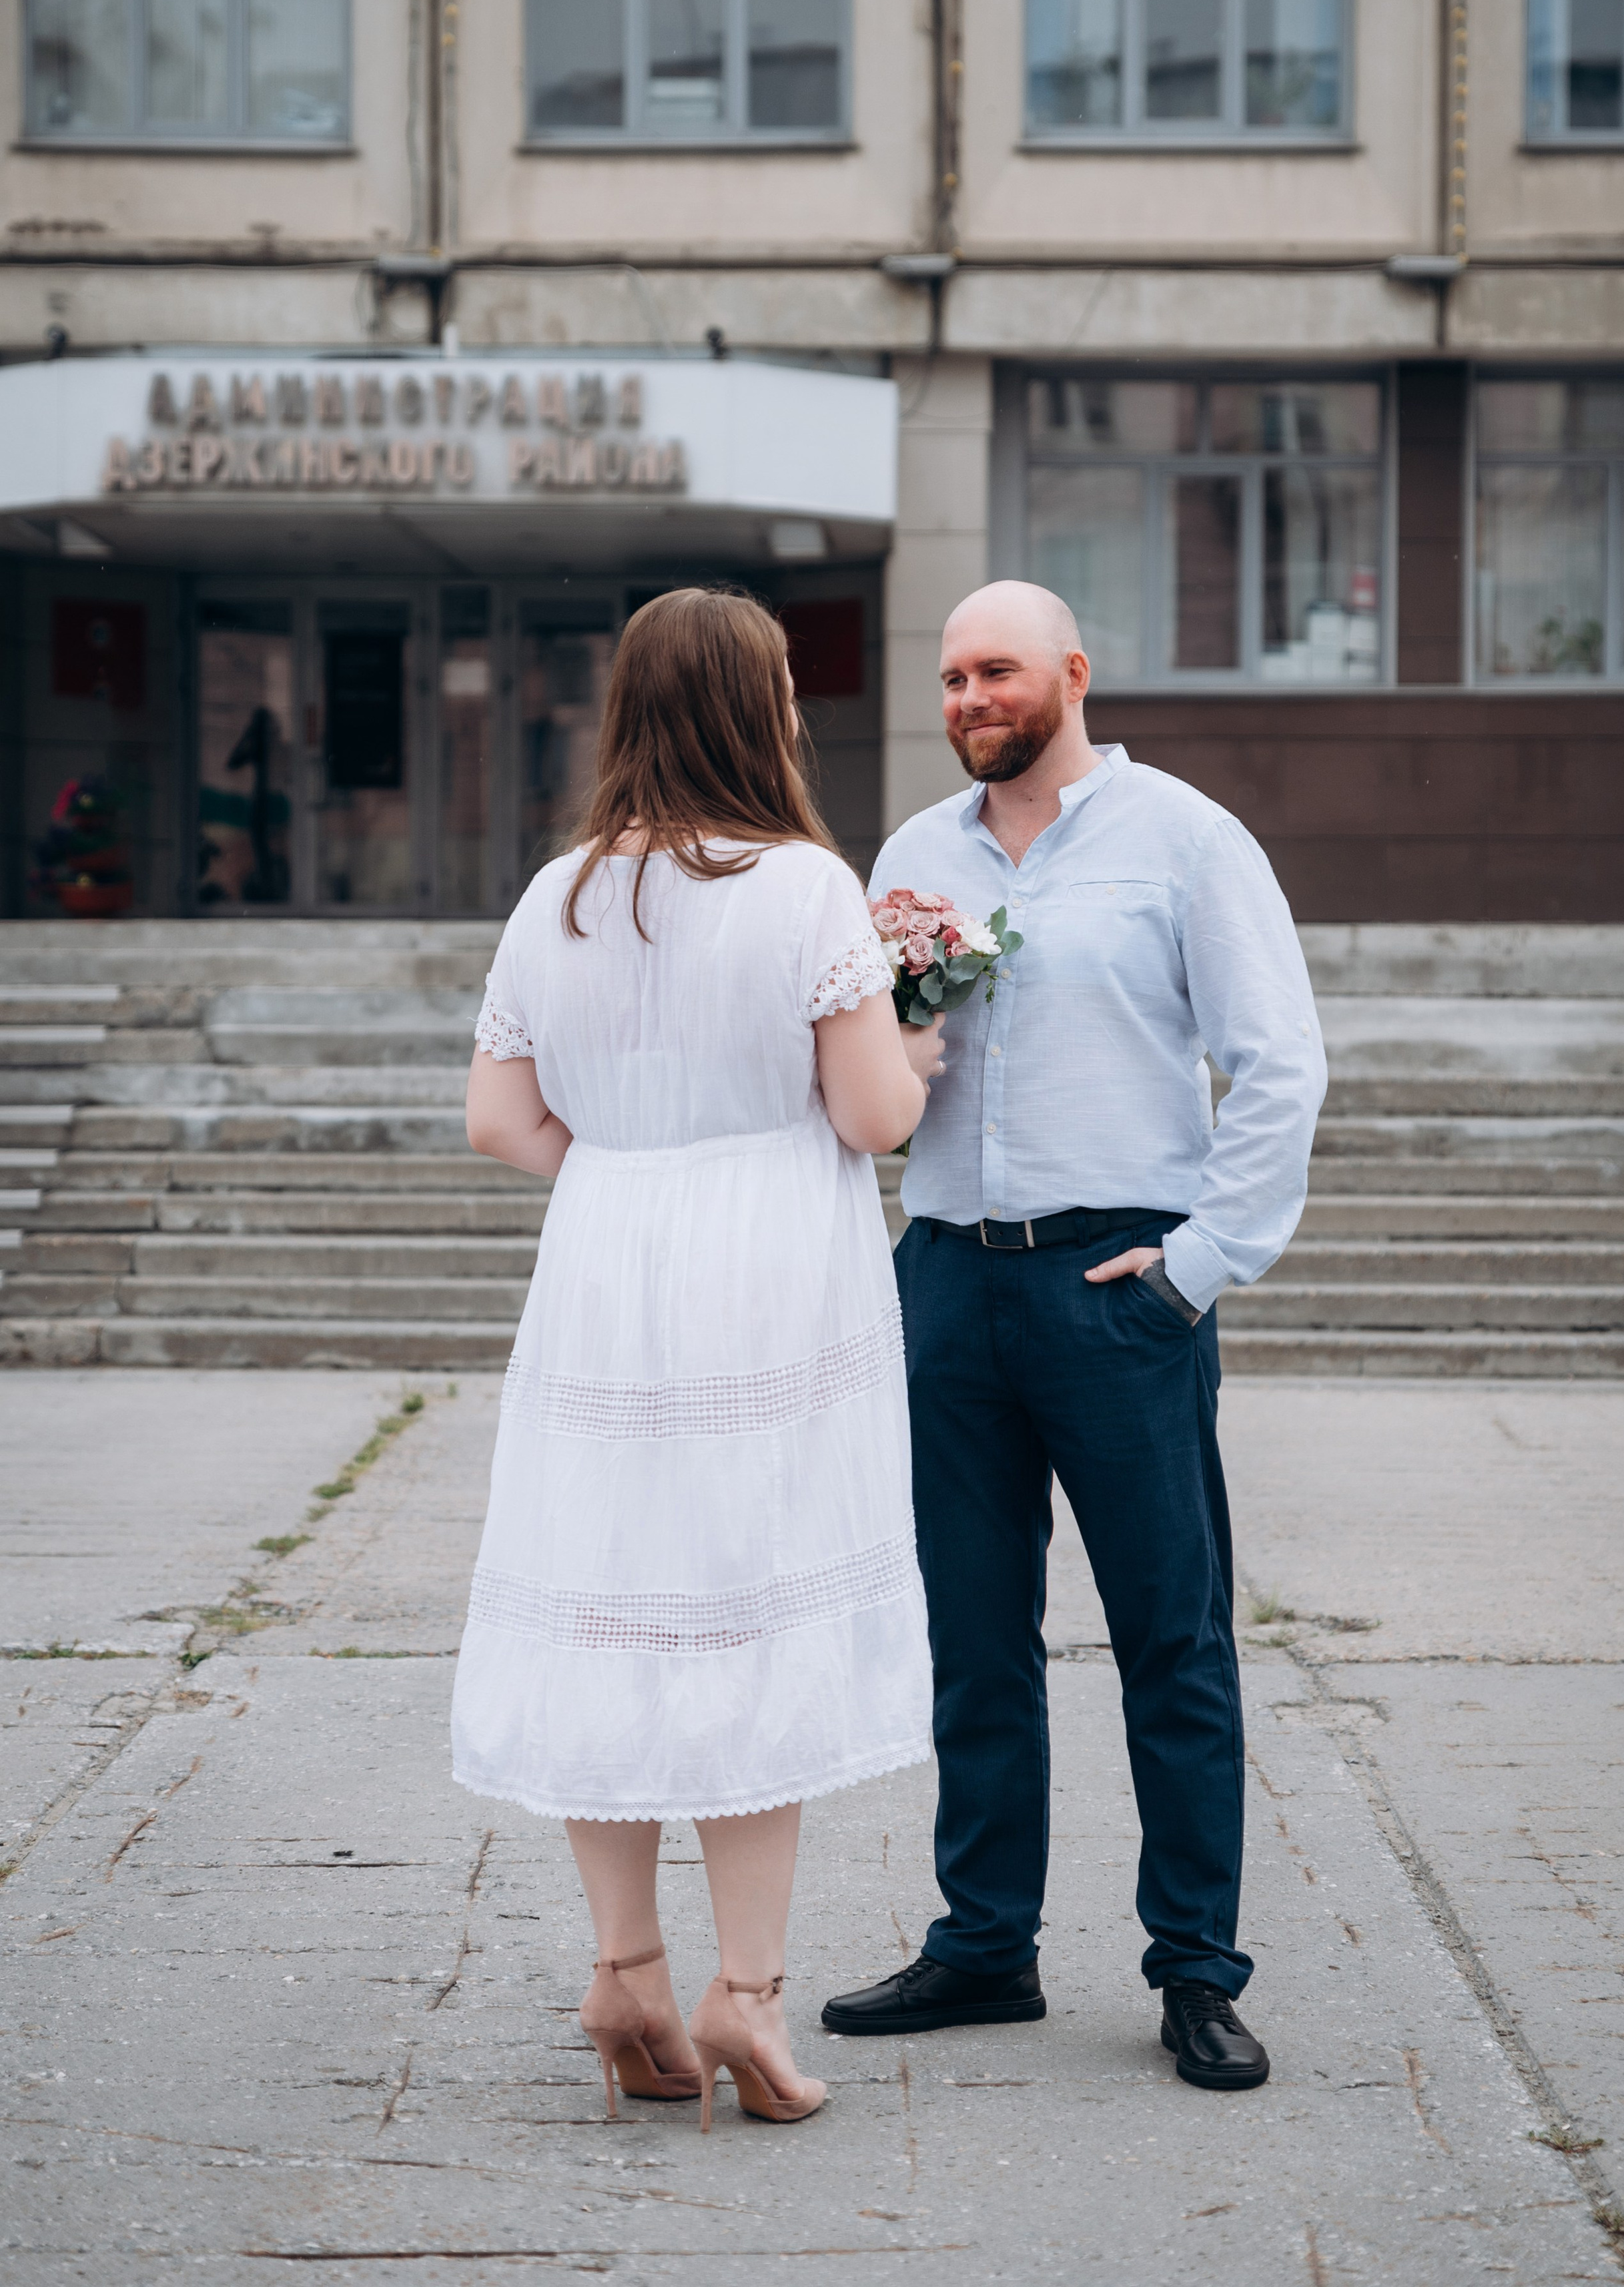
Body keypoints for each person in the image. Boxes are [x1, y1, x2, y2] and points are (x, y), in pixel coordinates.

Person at [821, 581, 1326, 2091]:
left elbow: (1278, 1061)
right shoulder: (912, 855)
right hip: (948, 1278)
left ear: (1071, 674)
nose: (968, 695)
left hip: (1118, 1288)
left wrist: (1198, 1266)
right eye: (950, 676)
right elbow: (874, 1066)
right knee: (972, 1640)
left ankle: (1194, 1968)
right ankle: (985, 1942)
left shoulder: (1183, 836)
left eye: (996, 669)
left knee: (1170, 1639)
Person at [452, 587, 941, 2132]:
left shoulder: (557, 894)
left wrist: (630, 1168)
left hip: (607, 1264)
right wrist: (916, 1048)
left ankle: (623, 1966)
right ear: (755, 709)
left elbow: (499, 1119)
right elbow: (872, 1118)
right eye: (783, 687)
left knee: (609, 1596)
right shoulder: (801, 886)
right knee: (748, 1608)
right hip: (770, 1273)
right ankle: (746, 1992)